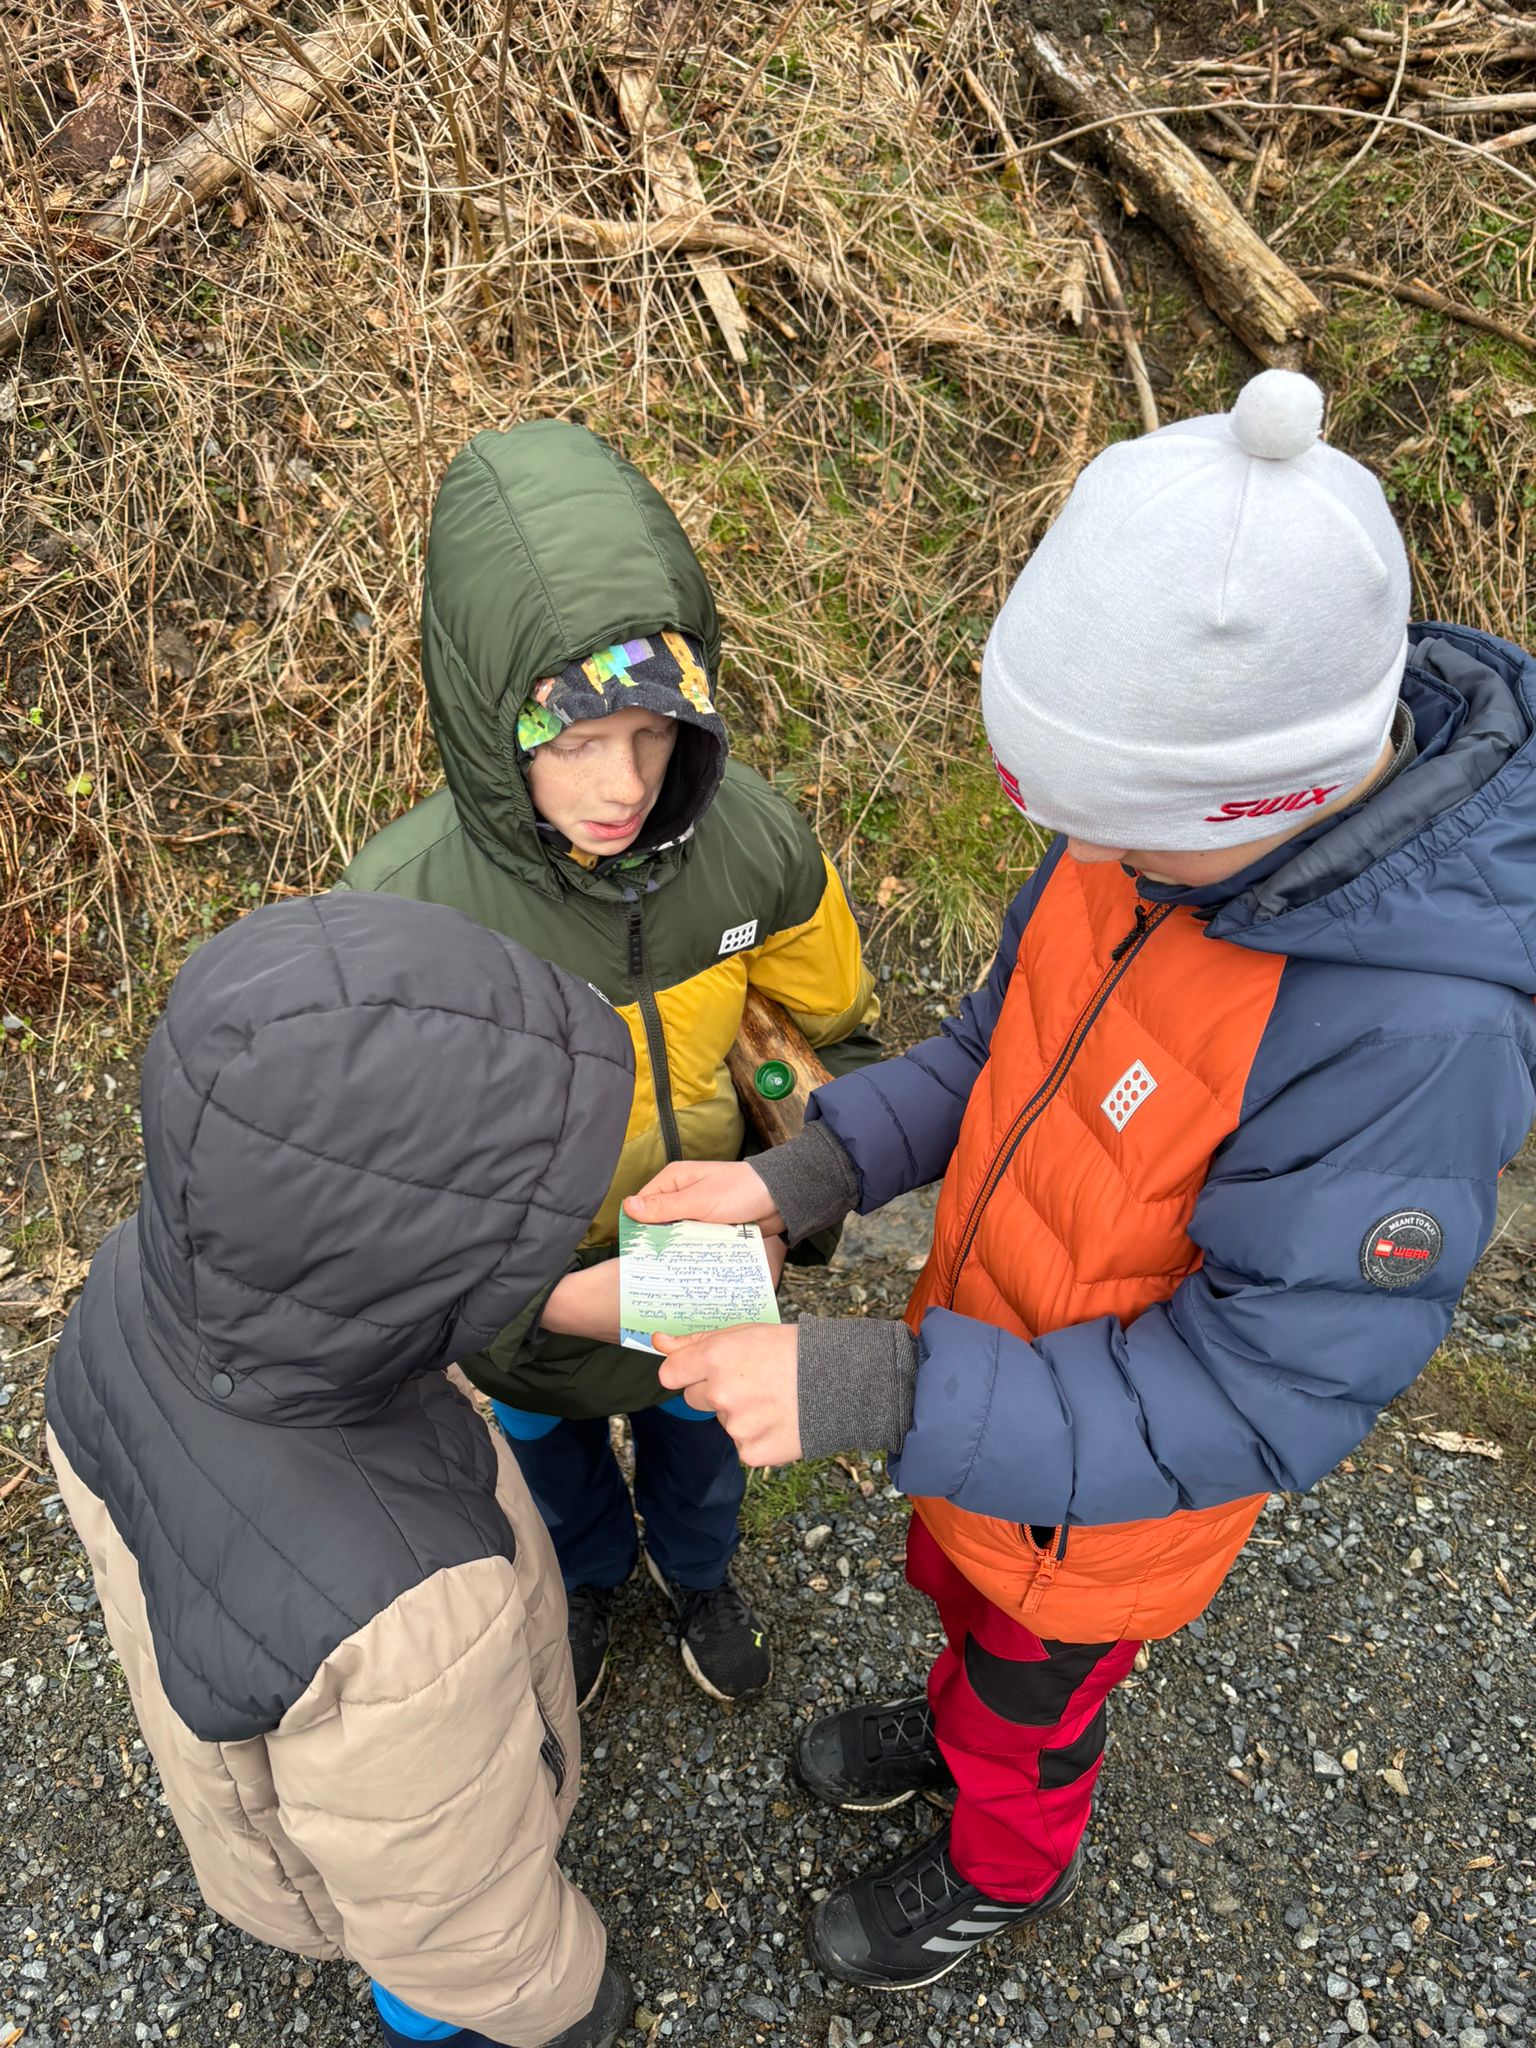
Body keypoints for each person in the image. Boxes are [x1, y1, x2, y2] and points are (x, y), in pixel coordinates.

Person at [627, 369, 1536, 1989]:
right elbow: (995, 1052)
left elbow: (1264, 1391)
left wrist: (872, 1376)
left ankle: (1001, 1865)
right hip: (987, 1408)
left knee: (1037, 1707)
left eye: (1093, 809)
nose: (1046, 828)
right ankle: (960, 1707)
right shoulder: (1141, 836)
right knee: (977, 1631)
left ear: (1253, 799)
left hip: (1101, 1511)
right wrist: (804, 1174)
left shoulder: (1410, 1034)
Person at [341, 419, 879, 1707]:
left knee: (706, 1449)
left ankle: (700, 1578)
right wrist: (536, 1305)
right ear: (488, 723)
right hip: (539, 1310)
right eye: (573, 741)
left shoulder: (752, 844)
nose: (624, 783)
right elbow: (382, 1187)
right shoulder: (408, 910)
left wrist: (789, 1210)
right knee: (548, 1454)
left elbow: (839, 1032)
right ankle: (585, 1583)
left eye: (650, 732)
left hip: (716, 1277)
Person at [46, 892, 639, 2048]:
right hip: (408, 1854)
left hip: (265, 1779)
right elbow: (455, 1906)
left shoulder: (143, 1279)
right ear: (396, 1258)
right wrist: (568, 1995)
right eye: (516, 1224)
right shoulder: (415, 1612)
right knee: (432, 1961)